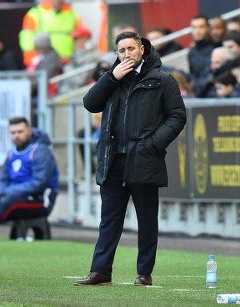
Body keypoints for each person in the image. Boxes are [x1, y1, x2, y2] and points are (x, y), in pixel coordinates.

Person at [74, 31, 186, 286]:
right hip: (113, 159)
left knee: (146, 219)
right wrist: (110, 78)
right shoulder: (113, 79)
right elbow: (90, 103)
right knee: (109, 219)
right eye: (122, 50)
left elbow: (177, 116)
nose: (127, 54)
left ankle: (144, 273)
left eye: (131, 49)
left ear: (142, 50)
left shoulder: (163, 80)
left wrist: (153, 145)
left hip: (144, 159)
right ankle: (100, 271)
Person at [18, 0, 81, 66]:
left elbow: (80, 37)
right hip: (44, 63)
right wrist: (31, 59)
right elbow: (27, 37)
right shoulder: (35, 14)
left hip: (68, 62)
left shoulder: (73, 14)